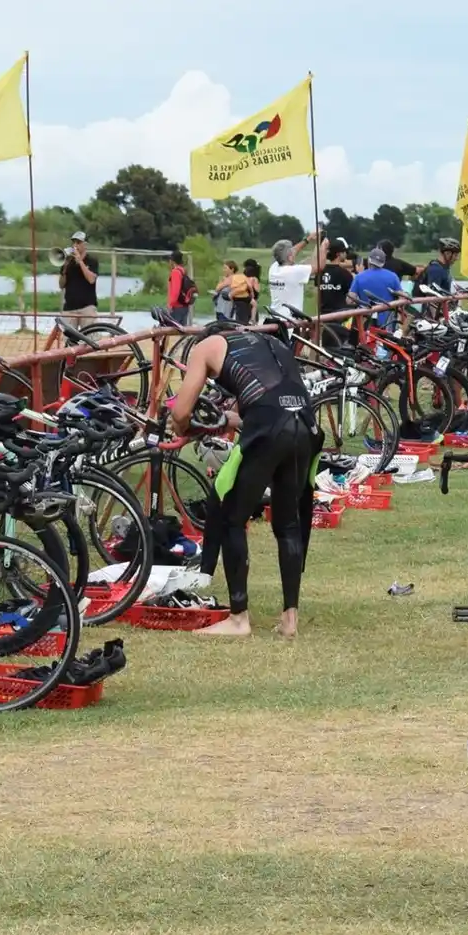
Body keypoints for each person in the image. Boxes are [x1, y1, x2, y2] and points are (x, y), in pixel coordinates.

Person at [170, 319, 321, 639]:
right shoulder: (269, 344)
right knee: (288, 523)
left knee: (230, 516)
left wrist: (182, 428)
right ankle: (290, 620)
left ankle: (239, 619)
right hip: (305, 423)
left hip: (270, 426)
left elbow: (181, 412)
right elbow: (260, 401)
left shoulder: (206, 347)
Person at [350, 247, 404, 328]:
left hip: (364, 321)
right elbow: (402, 298)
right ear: (383, 262)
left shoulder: (359, 277)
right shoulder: (393, 276)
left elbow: (350, 300)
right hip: (387, 323)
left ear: (369, 260)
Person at [316, 242, 356, 345]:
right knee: (336, 347)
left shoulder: (320, 272)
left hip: (323, 315)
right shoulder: (345, 274)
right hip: (340, 316)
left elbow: (318, 293)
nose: (345, 255)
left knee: (324, 345)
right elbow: (351, 298)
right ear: (338, 254)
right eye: (344, 252)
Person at [267, 234, 315, 315]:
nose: (294, 252)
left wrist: (308, 239)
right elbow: (319, 266)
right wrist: (322, 244)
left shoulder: (273, 268)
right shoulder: (293, 271)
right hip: (290, 322)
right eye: (292, 252)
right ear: (289, 256)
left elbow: (294, 251)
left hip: (276, 319)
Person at [59, 230, 99, 320]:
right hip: (69, 307)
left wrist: (80, 261)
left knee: (89, 333)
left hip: (87, 307)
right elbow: (61, 285)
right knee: (68, 334)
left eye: (78, 242)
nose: (75, 245)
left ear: (85, 245)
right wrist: (64, 268)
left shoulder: (92, 261)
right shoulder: (68, 262)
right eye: (73, 242)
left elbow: (91, 279)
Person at [166, 248, 197, 325]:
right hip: (184, 306)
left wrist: (171, 305)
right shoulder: (183, 270)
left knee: (171, 330)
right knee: (182, 330)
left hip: (177, 306)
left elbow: (176, 291)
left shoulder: (175, 272)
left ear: (172, 261)